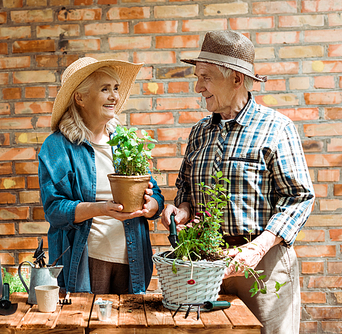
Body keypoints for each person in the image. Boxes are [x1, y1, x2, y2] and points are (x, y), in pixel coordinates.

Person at [160, 31, 314, 334]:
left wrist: (257, 249)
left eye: (205, 77)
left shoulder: (276, 128)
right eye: (197, 76)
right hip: (206, 264)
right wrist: (181, 212)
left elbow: (299, 198)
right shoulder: (199, 133)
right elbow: (186, 192)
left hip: (263, 265)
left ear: (236, 79)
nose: (197, 86)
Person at [38, 57, 164, 295]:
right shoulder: (58, 146)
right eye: (105, 89)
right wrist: (101, 208)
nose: (114, 96)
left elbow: (154, 191)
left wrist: (151, 205)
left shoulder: (125, 143)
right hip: (87, 261)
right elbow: (54, 210)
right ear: (80, 98)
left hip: (132, 259)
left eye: (115, 88)